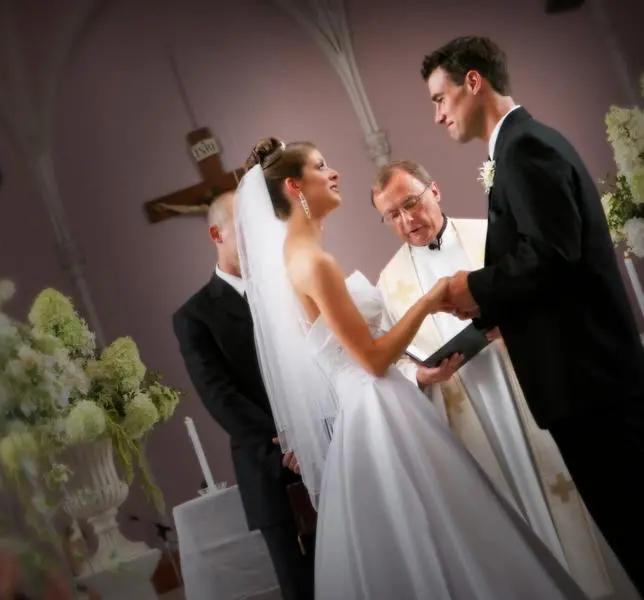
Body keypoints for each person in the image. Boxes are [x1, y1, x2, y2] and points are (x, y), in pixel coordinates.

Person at [236, 136, 589, 599]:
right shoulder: (312, 263)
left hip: (379, 403)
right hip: (380, 407)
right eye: (322, 166)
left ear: (433, 192)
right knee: (444, 529)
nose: (334, 173)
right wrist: (426, 302)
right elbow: (374, 359)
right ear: (293, 186)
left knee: (439, 531)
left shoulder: (300, 259)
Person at [421, 35, 644, 594]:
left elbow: (550, 253)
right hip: (589, 383)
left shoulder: (524, 149)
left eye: (439, 98)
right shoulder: (519, 147)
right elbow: (550, 265)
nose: (437, 114)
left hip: (591, 385)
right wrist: (497, 309)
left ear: (473, 82)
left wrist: (473, 285)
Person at [373, 159, 613, 598]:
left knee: (566, 494)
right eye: (392, 214)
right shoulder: (388, 283)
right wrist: (421, 375)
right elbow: (393, 359)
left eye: (412, 203)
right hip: (467, 411)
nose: (407, 220)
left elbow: (551, 293)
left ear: (435, 191)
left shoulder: (492, 235)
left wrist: (517, 322)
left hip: (526, 382)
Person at [172, 190, 315, 600]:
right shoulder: (195, 316)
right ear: (217, 234)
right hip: (268, 465)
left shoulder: (288, 286)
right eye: (244, 228)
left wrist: (313, 433)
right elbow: (221, 397)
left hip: (325, 450)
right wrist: (288, 440)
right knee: (302, 588)